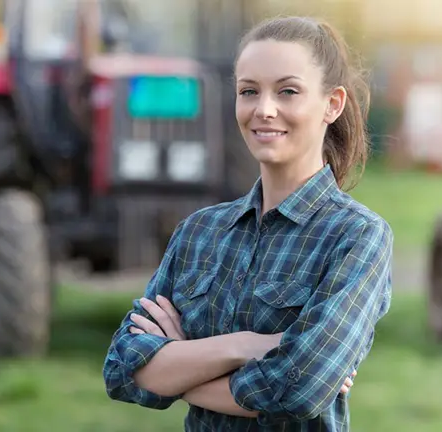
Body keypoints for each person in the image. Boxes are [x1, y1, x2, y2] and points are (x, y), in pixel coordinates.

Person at [103, 15, 393, 431]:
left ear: (332, 104)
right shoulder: (199, 232)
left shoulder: (357, 237)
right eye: (249, 91)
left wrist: (177, 367)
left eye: (288, 91)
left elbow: (299, 389)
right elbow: (121, 369)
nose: (264, 109)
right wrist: (244, 347)